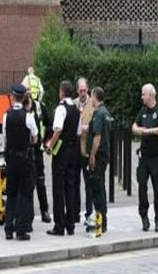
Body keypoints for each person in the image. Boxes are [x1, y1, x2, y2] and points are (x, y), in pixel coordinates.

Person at [131, 83, 158, 232]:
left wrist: (151, 131)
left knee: (157, 189)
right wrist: (139, 130)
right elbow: (134, 126)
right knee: (142, 187)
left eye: (143, 94)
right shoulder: (143, 111)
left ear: (150, 95)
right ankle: (144, 217)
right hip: (144, 157)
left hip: (156, 157)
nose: (141, 97)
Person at [3, 84, 38, 240]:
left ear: (12, 96)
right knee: (24, 193)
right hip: (24, 158)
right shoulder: (28, 116)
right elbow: (35, 138)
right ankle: (21, 229)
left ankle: (8, 228)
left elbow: (5, 138)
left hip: (10, 158)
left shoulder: (6, 115)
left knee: (10, 193)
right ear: (24, 97)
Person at [45, 81, 80, 236]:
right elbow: (78, 131)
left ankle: (59, 225)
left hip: (62, 151)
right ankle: (70, 224)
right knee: (70, 187)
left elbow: (58, 129)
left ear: (62, 92)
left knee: (58, 188)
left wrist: (50, 146)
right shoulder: (76, 109)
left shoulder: (61, 108)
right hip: (74, 150)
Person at [86, 87, 112, 234]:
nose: (91, 99)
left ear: (95, 97)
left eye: (91, 96)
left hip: (99, 155)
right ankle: (103, 220)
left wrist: (92, 155)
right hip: (105, 154)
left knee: (97, 188)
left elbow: (97, 136)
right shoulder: (106, 112)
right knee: (101, 186)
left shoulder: (98, 114)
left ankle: (100, 220)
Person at [29, 94, 52, 224]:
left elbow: (49, 126)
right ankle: (28, 213)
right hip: (25, 151)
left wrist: (47, 142)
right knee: (27, 184)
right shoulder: (21, 107)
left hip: (37, 150)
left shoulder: (40, 108)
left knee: (40, 181)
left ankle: (44, 210)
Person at [76, 78, 94, 224]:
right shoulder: (74, 104)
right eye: (80, 90)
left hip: (87, 150)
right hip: (75, 150)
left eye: (84, 90)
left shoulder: (92, 105)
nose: (83, 93)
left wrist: (87, 129)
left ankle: (89, 213)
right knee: (75, 183)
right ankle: (75, 213)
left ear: (88, 89)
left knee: (89, 184)